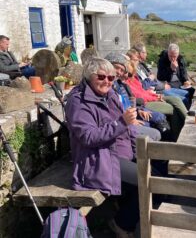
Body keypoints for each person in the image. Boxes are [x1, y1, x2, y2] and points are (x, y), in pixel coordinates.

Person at [65, 57, 140, 237]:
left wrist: (138, 148)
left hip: (114, 154)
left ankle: (126, 214)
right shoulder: (78, 101)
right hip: (96, 161)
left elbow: (128, 130)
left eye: (111, 78)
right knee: (150, 181)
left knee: (155, 167)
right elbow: (88, 137)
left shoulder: (109, 94)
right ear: (89, 76)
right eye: (101, 77)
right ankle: (122, 224)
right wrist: (122, 122)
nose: (107, 81)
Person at [124, 49, 187, 141]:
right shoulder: (126, 81)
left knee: (180, 98)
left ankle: (178, 136)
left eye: (137, 60)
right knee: (173, 105)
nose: (137, 62)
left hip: (154, 93)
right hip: (147, 100)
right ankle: (176, 135)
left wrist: (155, 95)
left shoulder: (135, 76)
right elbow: (140, 94)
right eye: (134, 60)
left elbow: (143, 90)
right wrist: (155, 96)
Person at [104, 52, 162, 142]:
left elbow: (127, 104)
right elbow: (113, 111)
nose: (119, 72)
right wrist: (129, 120)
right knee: (155, 130)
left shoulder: (117, 84)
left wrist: (138, 112)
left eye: (122, 70)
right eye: (116, 67)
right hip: (118, 124)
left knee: (154, 124)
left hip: (129, 117)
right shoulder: (106, 87)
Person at [131, 43, 191, 109]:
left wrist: (186, 80)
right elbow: (157, 79)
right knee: (184, 100)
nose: (146, 54)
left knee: (188, 93)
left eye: (175, 56)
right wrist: (170, 70)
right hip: (159, 89)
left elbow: (183, 74)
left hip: (165, 86)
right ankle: (188, 118)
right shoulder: (134, 69)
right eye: (145, 52)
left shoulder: (142, 65)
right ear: (139, 54)